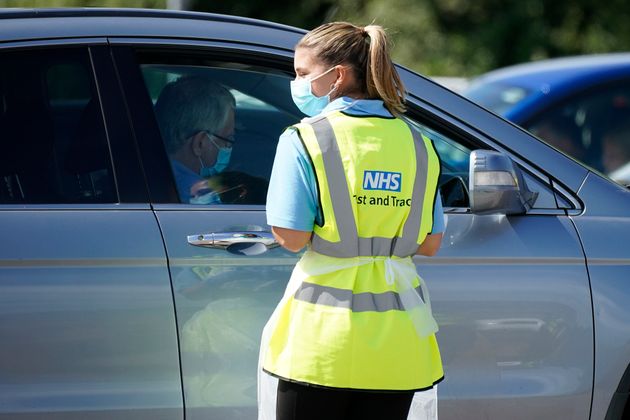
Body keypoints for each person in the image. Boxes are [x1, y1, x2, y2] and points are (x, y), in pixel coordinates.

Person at [259, 22, 445, 420]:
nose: (297, 83)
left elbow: (290, 237)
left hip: (322, 346)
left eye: (303, 74)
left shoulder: (304, 138)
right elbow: (430, 243)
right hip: (399, 346)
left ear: (338, 75)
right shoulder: (420, 145)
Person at [154, 75, 236, 203]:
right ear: (200, 143)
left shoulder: (147, 172)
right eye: (228, 140)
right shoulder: (202, 197)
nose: (228, 148)